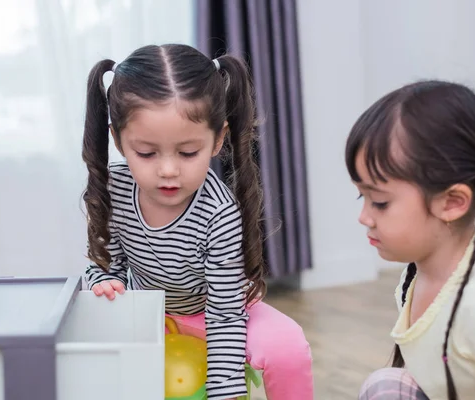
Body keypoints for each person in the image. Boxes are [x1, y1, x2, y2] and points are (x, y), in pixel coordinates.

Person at [81, 43, 313, 400]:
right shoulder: (115, 187)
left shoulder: (218, 213)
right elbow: (108, 264)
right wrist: (106, 283)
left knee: (289, 347)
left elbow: (225, 316)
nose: (169, 170)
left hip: (216, 315)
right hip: (147, 313)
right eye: (146, 153)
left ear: (218, 139)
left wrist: (224, 391)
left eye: (188, 153)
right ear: (118, 141)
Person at [346, 80, 475, 399]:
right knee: (385, 385)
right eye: (363, 198)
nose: (364, 217)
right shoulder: (414, 278)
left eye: (380, 202)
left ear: (452, 202)